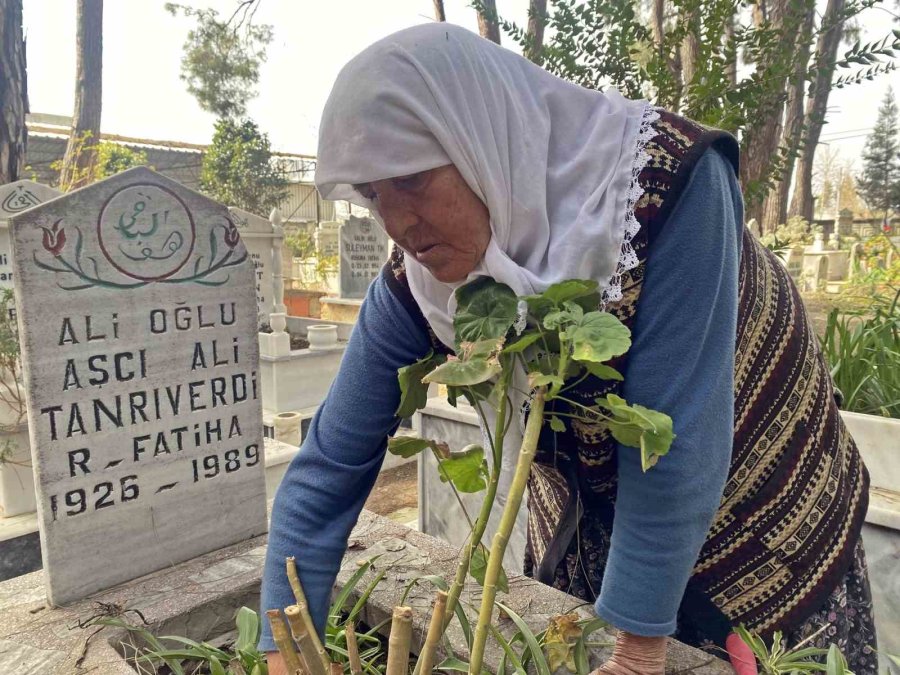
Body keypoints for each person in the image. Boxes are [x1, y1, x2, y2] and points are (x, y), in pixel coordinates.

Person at [260, 24, 877, 675]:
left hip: (760, 500)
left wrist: (638, 651)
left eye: (411, 180)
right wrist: (281, 644)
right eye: (372, 194)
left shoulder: (668, 186)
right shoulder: (418, 278)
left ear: (478, 140)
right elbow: (332, 459)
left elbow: (677, 434)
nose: (397, 222)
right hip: (597, 509)